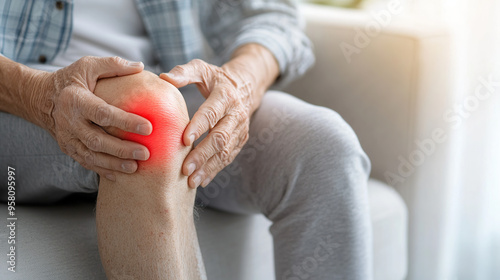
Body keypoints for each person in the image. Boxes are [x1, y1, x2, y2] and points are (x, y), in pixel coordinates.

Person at [0, 0, 372, 279]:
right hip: (16, 99)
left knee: (323, 146)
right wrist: (33, 92)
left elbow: (272, 16)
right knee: (149, 119)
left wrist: (240, 84)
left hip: (167, 87)